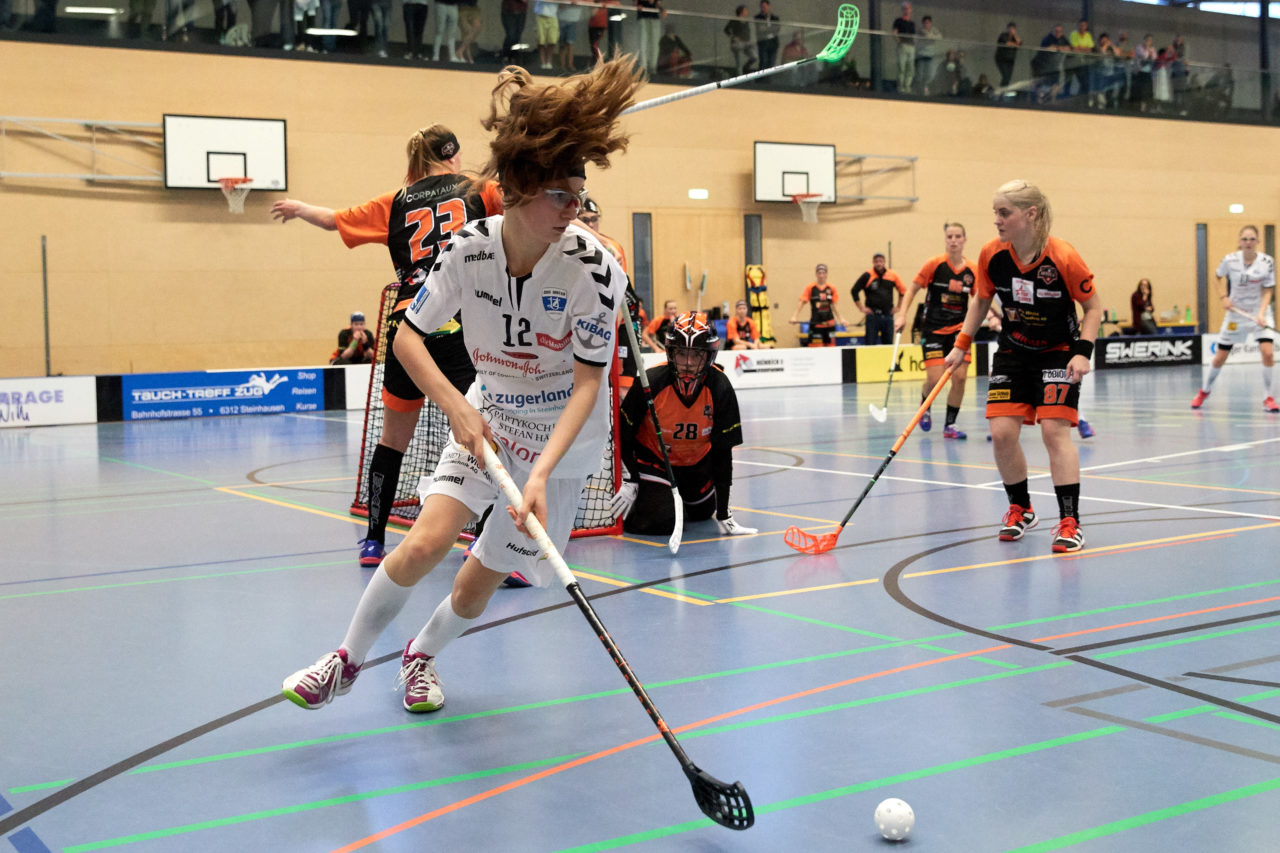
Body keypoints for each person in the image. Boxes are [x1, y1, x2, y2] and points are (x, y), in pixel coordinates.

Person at [281, 56, 642, 715]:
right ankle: (345, 661)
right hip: (489, 411)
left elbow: (592, 385)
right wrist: (455, 407)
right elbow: (406, 337)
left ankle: (421, 656)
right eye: (561, 196)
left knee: (475, 587)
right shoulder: (468, 250)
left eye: (578, 195)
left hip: (559, 450)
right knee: (424, 540)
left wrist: (539, 475)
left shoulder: (595, 269)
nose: (574, 210)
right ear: (519, 189)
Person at [270, 125, 504, 569]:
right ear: (453, 156)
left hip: (409, 325)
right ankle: (485, 537)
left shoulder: (395, 202)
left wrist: (299, 207)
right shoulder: (479, 190)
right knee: (479, 427)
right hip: (462, 321)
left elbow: (333, 219)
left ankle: (374, 541)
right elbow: (518, 206)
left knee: (393, 440)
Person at [943, 179, 1102, 554]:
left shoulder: (1063, 255)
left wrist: (1083, 351)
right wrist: (960, 345)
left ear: (1029, 215)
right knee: (1001, 433)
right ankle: (1021, 507)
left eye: (1004, 213)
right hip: (1013, 352)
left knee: (1053, 432)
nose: (996, 220)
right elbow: (981, 300)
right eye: (995, 213)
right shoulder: (990, 254)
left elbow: (1093, 308)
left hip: (1059, 352)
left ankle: (1070, 521)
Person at [612, 313, 757, 537]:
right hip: (655, 460)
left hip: (696, 463)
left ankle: (672, 495)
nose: (688, 363)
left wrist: (724, 513)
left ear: (709, 355)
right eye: (681, 354)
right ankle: (654, 494)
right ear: (671, 353)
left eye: (696, 355)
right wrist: (630, 478)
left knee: (702, 513)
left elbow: (722, 452)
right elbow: (624, 433)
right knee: (660, 521)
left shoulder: (720, 388)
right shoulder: (650, 382)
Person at [896, 222, 976, 439]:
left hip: (960, 332)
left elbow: (981, 299)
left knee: (959, 378)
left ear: (964, 239)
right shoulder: (934, 264)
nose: (954, 240)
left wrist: (996, 317)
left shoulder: (973, 270)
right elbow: (911, 290)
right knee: (934, 378)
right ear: (945, 239)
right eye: (950, 236)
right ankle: (925, 406)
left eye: (958, 236)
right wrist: (902, 314)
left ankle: (950, 425)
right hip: (933, 329)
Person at [1191, 225, 1277, 413]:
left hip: (1259, 312)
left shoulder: (1267, 262)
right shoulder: (1229, 260)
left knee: (1268, 353)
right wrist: (1224, 297)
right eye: (1245, 239)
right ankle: (1204, 391)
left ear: (1258, 242)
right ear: (1239, 241)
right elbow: (1217, 277)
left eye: (1252, 239)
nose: (1248, 243)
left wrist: (1262, 313)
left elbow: (1268, 289)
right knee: (1220, 357)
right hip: (1236, 313)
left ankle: (1269, 397)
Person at [851, 253, 905, 344]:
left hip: (887, 315)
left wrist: (898, 307)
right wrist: (861, 308)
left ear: (884, 262)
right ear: (873, 262)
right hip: (873, 315)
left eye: (880, 261)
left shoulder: (892, 275)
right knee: (870, 343)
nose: (878, 263)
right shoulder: (867, 275)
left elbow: (902, 291)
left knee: (888, 344)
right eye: (876, 261)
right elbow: (854, 291)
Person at [790, 263, 847, 346]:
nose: (821, 275)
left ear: (826, 274)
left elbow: (834, 306)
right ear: (816, 274)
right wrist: (794, 317)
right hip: (816, 324)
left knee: (831, 350)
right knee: (815, 350)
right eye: (819, 273)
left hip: (829, 324)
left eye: (823, 273)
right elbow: (802, 302)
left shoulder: (831, 288)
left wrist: (841, 319)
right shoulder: (810, 288)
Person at [725, 4, 757, 74]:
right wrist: (733, 37)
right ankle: (739, 75)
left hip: (746, 42)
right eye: (745, 10)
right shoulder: (734, 20)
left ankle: (746, 67)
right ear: (741, 12)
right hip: (738, 43)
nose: (747, 12)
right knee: (738, 61)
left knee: (754, 57)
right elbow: (726, 30)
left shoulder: (746, 21)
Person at [891, 1, 916, 94]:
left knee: (910, 68)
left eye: (908, 8)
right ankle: (901, 86)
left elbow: (914, 36)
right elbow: (895, 33)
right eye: (905, 8)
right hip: (903, 46)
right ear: (902, 10)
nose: (907, 10)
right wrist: (899, 42)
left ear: (911, 10)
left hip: (911, 46)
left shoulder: (912, 23)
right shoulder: (898, 21)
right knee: (901, 66)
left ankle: (907, 86)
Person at [635, 0, 663, 74]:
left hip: (654, 17)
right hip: (643, 17)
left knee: (655, 44)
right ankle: (643, 67)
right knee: (642, 43)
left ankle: (652, 67)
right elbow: (636, 3)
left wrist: (662, 10)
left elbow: (657, 4)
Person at [915, 15, 940, 95]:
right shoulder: (920, 31)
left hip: (929, 55)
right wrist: (930, 37)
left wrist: (930, 36)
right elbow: (920, 38)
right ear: (923, 23)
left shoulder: (934, 30)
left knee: (929, 75)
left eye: (928, 23)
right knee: (920, 75)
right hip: (921, 55)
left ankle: (926, 90)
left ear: (930, 23)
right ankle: (919, 91)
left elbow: (939, 37)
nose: (926, 24)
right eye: (925, 23)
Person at [994, 21, 1021, 89]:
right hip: (1001, 59)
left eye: (1013, 29)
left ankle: (1003, 90)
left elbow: (1019, 43)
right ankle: (1001, 90)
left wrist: (1015, 35)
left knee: (1008, 77)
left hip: (1010, 60)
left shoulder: (1015, 37)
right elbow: (1007, 43)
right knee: (1005, 76)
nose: (1012, 30)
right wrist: (1015, 45)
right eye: (1010, 28)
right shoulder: (1003, 35)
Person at [754, 0, 780, 70]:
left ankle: (769, 79)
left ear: (768, 6)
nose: (763, 8)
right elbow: (760, 29)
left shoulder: (775, 18)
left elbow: (777, 29)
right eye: (762, 7)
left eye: (765, 7)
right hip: (763, 42)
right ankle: (761, 79)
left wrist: (766, 29)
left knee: (771, 62)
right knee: (763, 62)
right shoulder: (758, 17)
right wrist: (771, 29)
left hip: (773, 43)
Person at [533, 0, 558, 70]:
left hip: (553, 15)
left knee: (552, 41)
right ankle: (543, 63)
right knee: (541, 41)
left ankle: (549, 62)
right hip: (540, 15)